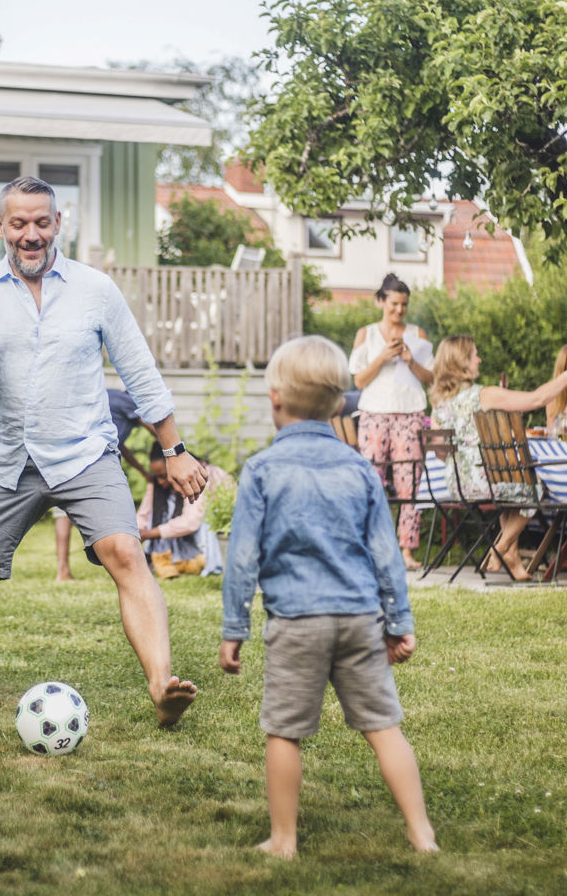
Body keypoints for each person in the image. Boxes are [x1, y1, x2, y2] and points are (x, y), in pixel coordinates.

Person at [0, 175, 206, 727]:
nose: (31, 235)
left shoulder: (95, 289)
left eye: (42, 222)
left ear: (58, 224)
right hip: (10, 454)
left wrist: (175, 448)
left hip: (85, 453)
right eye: (19, 223)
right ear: (0, 227)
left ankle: (162, 686)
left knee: (127, 555)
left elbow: (140, 372)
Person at [220, 335, 436, 859]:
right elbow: (386, 555)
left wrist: (234, 630)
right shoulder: (360, 468)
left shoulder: (263, 471)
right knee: (385, 727)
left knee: (284, 732)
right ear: (341, 403)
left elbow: (242, 559)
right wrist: (398, 621)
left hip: (296, 622)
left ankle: (284, 840)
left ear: (274, 399)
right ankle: (422, 833)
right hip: (360, 619)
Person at [427, 335, 567, 581]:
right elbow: (536, 399)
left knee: (510, 492)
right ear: (462, 363)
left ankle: (512, 559)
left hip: (457, 484)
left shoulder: (439, 402)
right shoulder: (483, 395)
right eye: (474, 356)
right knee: (534, 490)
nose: (479, 360)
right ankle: (500, 548)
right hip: (486, 480)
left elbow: (439, 450)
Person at [349, 274, 434, 570]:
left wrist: (410, 361)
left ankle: (407, 551)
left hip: (410, 413)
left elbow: (432, 379)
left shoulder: (417, 334)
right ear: (380, 301)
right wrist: (382, 358)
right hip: (374, 413)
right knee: (371, 482)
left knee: (409, 483)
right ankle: (369, 548)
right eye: (394, 304)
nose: (399, 311)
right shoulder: (366, 334)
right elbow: (359, 380)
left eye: (404, 305)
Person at [52, 388, 155, 581]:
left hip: (67, 453)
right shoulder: (128, 401)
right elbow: (152, 425)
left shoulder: (108, 396)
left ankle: (62, 569)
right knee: (112, 516)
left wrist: (144, 473)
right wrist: (174, 448)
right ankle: (124, 567)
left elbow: (121, 446)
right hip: (94, 462)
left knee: (62, 512)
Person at [137, 447, 231, 578]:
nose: (159, 481)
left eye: (163, 476)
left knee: (204, 519)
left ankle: (194, 560)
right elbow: (143, 515)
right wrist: (135, 535)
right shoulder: (158, 484)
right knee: (159, 512)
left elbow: (191, 522)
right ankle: (164, 557)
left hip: (213, 532)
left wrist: (149, 534)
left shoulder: (199, 475)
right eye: (156, 477)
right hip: (182, 531)